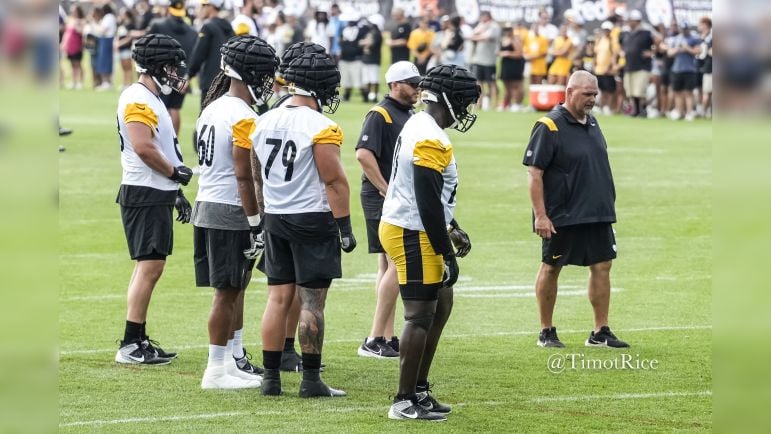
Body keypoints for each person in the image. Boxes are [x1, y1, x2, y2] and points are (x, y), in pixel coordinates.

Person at [252, 51, 355, 397]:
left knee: (277, 298)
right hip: (311, 217)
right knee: (311, 302)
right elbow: (334, 181)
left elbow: (255, 173)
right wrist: (345, 227)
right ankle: (310, 381)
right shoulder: (321, 126)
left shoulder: (264, 119)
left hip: (276, 217)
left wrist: (265, 211)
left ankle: (270, 379)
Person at [380, 64, 478, 421]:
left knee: (441, 303)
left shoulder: (421, 125)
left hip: (413, 224)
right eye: (464, 103)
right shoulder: (429, 136)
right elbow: (425, 198)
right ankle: (404, 400)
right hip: (411, 230)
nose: (466, 111)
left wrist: (451, 225)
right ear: (448, 99)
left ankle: (419, 389)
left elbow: (431, 197)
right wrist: (445, 249)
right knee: (420, 315)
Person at [193, 35, 278, 389]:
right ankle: (215, 369)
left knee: (236, 287)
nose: (268, 82)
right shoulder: (242, 116)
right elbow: (244, 174)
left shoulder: (212, 107)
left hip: (208, 202)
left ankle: (230, 360)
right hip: (230, 207)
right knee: (227, 291)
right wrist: (256, 221)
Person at [522, 70, 628, 349]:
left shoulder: (593, 123)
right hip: (563, 213)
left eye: (595, 94)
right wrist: (541, 215)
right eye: (587, 94)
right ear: (569, 92)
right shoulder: (549, 125)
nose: (592, 99)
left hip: (597, 210)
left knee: (603, 266)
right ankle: (546, 331)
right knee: (552, 267)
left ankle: (600, 331)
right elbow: (534, 174)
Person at [114, 34, 193, 365]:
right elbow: (144, 147)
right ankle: (132, 343)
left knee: (147, 266)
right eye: (172, 67)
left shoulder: (151, 96)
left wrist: (175, 192)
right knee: (150, 266)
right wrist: (175, 175)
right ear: (158, 66)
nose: (176, 73)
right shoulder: (139, 98)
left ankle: (136, 338)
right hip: (144, 189)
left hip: (153, 190)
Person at [355, 61, 421, 359]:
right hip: (383, 197)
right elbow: (363, 154)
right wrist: (386, 189)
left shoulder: (408, 115)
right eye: (412, 83)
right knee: (398, 263)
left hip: (394, 196)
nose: (417, 89)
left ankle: (385, 335)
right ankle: (374, 337)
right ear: (395, 85)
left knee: (387, 265)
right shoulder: (380, 114)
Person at [147, 0, 198, 134]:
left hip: (162, 74)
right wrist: (187, 76)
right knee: (175, 108)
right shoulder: (192, 31)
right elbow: (193, 56)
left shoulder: (158, 25)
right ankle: (174, 140)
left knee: (160, 107)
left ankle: (163, 140)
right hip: (182, 76)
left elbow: (148, 47)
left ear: (170, 9)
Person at [188, 0, 234, 110]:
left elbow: (199, 55)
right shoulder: (229, 28)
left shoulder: (208, 27)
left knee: (206, 119)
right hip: (228, 82)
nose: (201, 8)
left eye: (203, 5)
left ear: (211, 7)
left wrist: (189, 75)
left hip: (211, 83)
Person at [621, 10, 655, 117]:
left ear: (637, 21)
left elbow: (659, 41)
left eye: (631, 20)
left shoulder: (646, 32)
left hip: (642, 66)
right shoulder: (626, 33)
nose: (629, 22)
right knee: (631, 91)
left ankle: (643, 110)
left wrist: (652, 52)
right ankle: (636, 111)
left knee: (640, 90)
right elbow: (620, 44)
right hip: (629, 65)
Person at [666, 22, 701, 121]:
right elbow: (669, 53)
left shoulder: (694, 39)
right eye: (682, 29)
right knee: (677, 92)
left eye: (686, 29)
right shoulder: (676, 39)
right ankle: (679, 112)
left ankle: (689, 112)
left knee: (688, 92)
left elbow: (698, 51)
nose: (684, 31)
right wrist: (677, 49)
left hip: (689, 69)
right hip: (677, 69)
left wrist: (687, 48)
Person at [470, 11, 500, 111]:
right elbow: (474, 33)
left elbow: (487, 37)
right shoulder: (481, 25)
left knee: (491, 83)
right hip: (479, 59)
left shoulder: (494, 26)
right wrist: (481, 30)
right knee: (479, 83)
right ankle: (480, 104)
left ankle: (494, 105)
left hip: (489, 60)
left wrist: (476, 37)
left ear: (488, 17)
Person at [498, 23, 525, 112]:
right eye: (506, 30)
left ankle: (517, 104)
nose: (507, 32)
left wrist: (508, 53)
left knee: (516, 86)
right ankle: (507, 104)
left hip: (515, 65)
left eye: (509, 29)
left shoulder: (515, 39)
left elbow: (519, 54)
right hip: (506, 64)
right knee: (507, 86)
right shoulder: (503, 39)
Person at [61, 4, 85, 90]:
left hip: (77, 45)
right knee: (72, 64)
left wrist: (77, 25)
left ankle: (80, 82)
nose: (72, 12)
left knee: (78, 64)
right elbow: (66, 33)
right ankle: (74, 81)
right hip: (70, 46)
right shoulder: (69, 20)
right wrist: (63, 43)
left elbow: (82, 32)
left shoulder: (81, 21)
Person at [115, 8, 138, 90]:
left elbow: (130, 37)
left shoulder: (131, 25)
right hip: (121, 48)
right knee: (123, 67)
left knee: (128, 67)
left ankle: (129, 84)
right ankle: (125, 83)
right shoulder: (122, 23)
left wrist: (120, 43)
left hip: (127, 48)